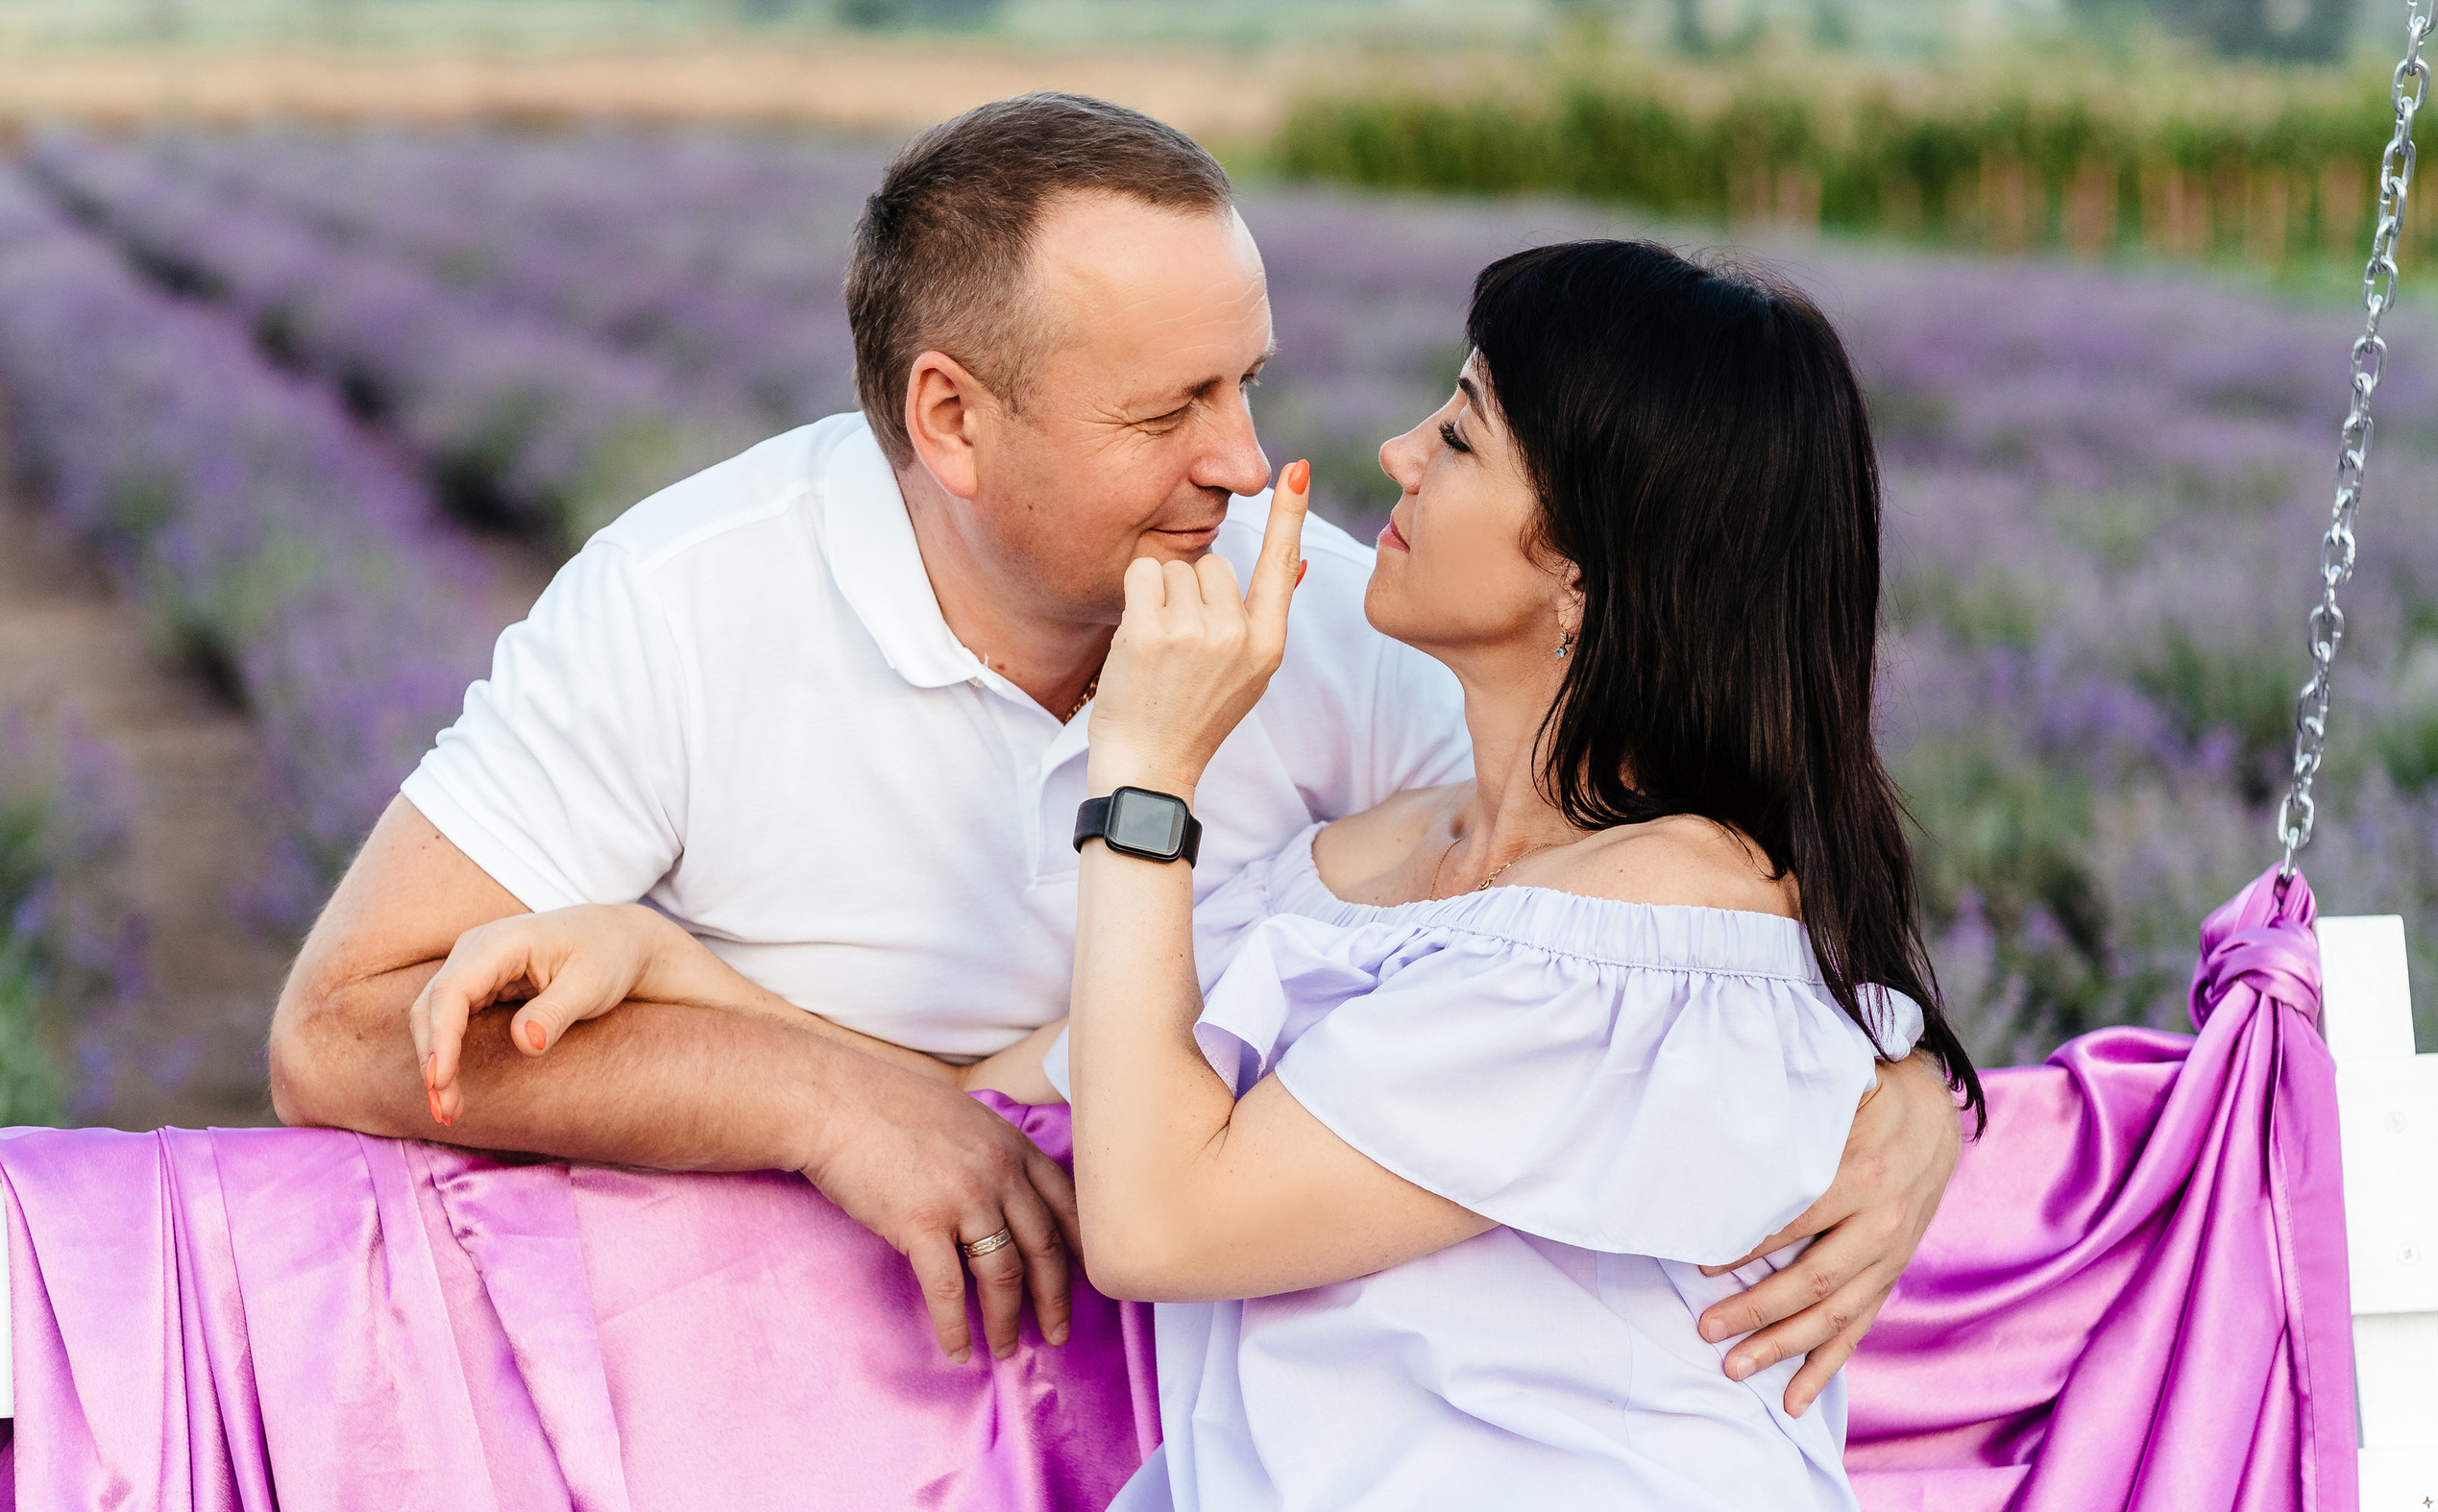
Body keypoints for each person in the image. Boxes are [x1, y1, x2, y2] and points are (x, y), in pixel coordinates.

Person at [272, 93, 1957, 1433]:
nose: (1245, 460)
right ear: (952, 421)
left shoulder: (1351, 631)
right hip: (760, 1432)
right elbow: (339, 1033)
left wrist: (1908, 1096)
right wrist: (808, 1094)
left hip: (1212, 1456)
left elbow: (1686, 892)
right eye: (1169, 412)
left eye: (1248, 380)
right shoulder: (683, 602)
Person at [1045, 241, 1987, 1512]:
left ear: (1589, 574)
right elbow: (1094, 1060)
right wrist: (698, 990)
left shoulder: (1669, 912)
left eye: (1464, 433)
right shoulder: (1385, 861)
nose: (1397, 451)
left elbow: (1151, 1217)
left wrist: (1147, 773)